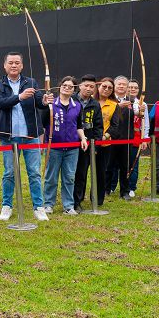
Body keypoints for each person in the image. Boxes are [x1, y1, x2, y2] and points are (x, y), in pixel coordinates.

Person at [0, 52, 52, 222]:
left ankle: (38, 207)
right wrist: (19, 97)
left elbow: (39, 101)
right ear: (5, 65)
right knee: (9, 172)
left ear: (22, 65)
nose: (14, 65)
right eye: (10, 62)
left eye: (17, 62)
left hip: (30, 135)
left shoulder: (31, 82)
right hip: (9, 136)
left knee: (34, 172)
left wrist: (45, 100)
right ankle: (7, 206)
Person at [41, 76, 88, 215]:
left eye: (71, 86)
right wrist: (45, 105)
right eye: (65, 85)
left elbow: (79, 125)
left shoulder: (77, 105)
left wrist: (83, 139)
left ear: (74, 90)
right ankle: (48, 204)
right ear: (59, 86)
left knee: (69, 177)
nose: (67, 87)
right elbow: (43, 122)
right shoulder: (51, 104)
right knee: (51, 177)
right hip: (54, 146)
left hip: (72, 148)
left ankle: (68, 206)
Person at [72, 75, 103, 213]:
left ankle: (77, 201)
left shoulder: (95, 104)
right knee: (70, 173)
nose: (89, 89)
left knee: (82, 173)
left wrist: (95, 145)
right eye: (86, 86)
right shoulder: (71, 99)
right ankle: (68, 199)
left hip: (87, 144)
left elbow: (98, 126)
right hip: (70, 142)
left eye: (92, 86)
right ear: (80, 86)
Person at [104, 76, 136, 201]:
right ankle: (106, 189)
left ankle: (125, 191)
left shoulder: (133, 101)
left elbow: (139, 115)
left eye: (124, 84)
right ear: (114, 87)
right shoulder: (109, 100)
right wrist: (119, 107)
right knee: (108, 166)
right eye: (119, 84)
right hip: (111, 138)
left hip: (126, 139)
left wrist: (141, 111)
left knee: (125, 166)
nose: (121, 86)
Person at [96, 77, 122, 205]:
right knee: (81, 172)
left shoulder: (114, 105)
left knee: (101, 172)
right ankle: (77, 200)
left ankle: (98, 199)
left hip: (104, 143)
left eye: (110, 88)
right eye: (104, 86)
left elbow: (115, 125)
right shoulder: (90, 101)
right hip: (86, 143)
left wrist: (105, 136)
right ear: (98, 87)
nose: (106, 89)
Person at [126, 79, 150, 197]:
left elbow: (145, 123)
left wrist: (145, 138)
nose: (133, 89)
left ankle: (131, 187)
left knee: (133, 164)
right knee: (117, 164)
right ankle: (113, 186)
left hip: (136, 137)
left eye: (135, 87)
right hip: (122, 137)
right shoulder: (122, 102)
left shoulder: (142, 104)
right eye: (130, 87)